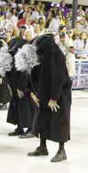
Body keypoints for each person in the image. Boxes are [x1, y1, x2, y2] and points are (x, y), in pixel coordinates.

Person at [17, 34, 72, 162]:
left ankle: (61, 151)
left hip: (59, 96)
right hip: (43, 93)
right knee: (42, 120)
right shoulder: (41, 55)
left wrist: (54, 97)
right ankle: (43, 147)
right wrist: (32, 92)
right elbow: (33, 74)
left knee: (59, 122)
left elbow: (59, 77)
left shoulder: (55, 55)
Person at [5, 34, 36, 138]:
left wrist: (20, 87)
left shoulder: (25, 55)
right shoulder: (14, 55)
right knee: (16, 106)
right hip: (15, 84)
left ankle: (31, 128)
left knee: (25, 107)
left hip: (23, 87)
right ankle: (20, 127)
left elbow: (25, 73)